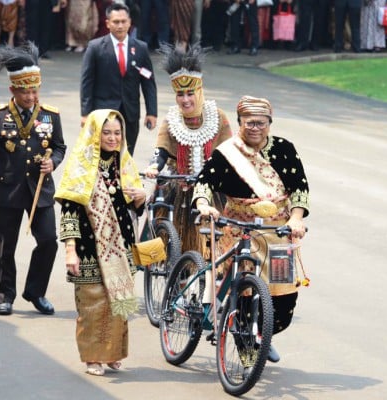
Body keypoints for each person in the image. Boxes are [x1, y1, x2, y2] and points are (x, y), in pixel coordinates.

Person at [192, 95, 309, 362]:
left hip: (278, 233)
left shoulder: (284, 149)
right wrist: (203, 204)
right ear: (240, 123)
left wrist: (296, 218)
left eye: (260, 122)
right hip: (238, 229)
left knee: (283, 301)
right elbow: (204, 183)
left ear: (269, 123)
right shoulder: (227, 153)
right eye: (248, 123)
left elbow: (300, 188)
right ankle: (246, 348)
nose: (254, 128)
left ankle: (262, 334)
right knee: (245, 293)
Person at [0, 42, 67, 316]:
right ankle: (5, 295)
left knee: (49, 240)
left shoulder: (50, 115)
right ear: (13, 90)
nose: (30, 95)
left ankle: (35, 292)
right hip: (8, 189)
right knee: (5, 246)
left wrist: (54, 162)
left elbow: (60, 146)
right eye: (25, 90)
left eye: (35, 89)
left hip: (40, 189)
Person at [54, 109, 147, 377]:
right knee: (92, 305)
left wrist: (142, 197)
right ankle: (93, 357)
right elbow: (69, 212)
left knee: (120, 302)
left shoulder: (124, 163)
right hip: (88, 248)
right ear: (95, 133)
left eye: (117, 133)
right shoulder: (80, 166)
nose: (112, 138)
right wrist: (70, 251)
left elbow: (135, 207)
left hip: (122, 247)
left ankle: (113, 353)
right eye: (106, 132)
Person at [144, 43, 233, 253]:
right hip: (179, 187)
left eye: (190, 93)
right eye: (180, 94)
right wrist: (154, 167)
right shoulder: (171, 119)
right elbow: (161, 150)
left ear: (199, 92)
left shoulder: (218, 117)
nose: (185, 100)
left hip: (213, 189)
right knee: (164, 235)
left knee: (220, 245)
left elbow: (231, 152)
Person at [80, 1, 157, 155]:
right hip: (103, 111)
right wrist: (85, 113)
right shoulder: (95, 47)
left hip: (130, 112)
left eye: (123, 21)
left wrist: (152, 112)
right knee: (103, 157)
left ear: (130, 23)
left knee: (127, 156)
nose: (120, 26)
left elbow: (148, 82)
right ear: (108, 23)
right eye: (116, 22)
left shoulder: (140, 48)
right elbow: (87, 82)